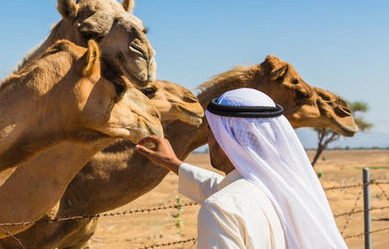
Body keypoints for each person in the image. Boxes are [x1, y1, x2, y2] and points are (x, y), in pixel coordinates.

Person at [135, 88, 347, 249]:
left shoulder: (220, 209)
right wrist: (173, 163)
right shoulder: (289, 191)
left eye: (213, 130)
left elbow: (228, 198)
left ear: (228, 138)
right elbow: (226, 189)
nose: (209, 140)